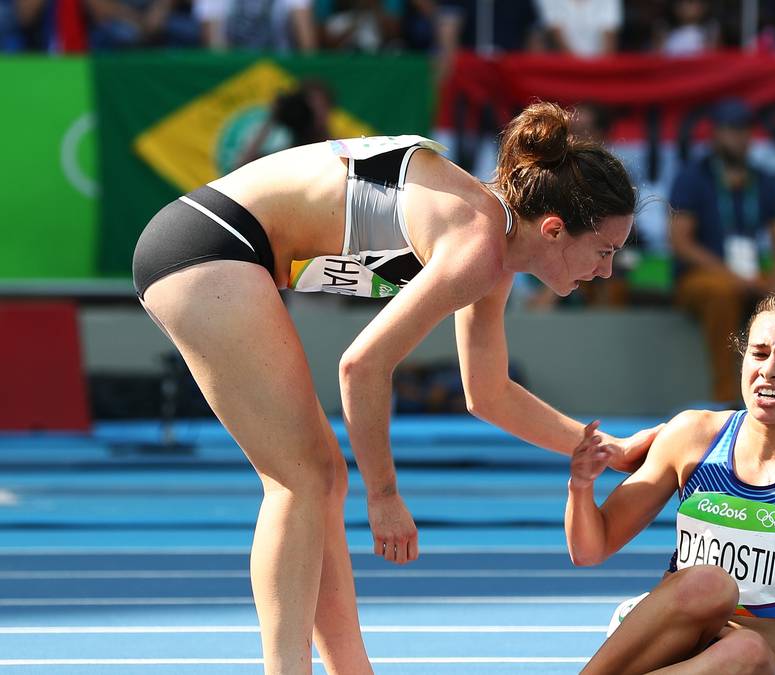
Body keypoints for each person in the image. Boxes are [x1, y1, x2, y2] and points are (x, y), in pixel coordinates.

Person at [131, 101, 660, 674]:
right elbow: (361, 366)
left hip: (213, 246)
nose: (607, 271)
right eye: (605, 251)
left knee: (320, 480)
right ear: (554, 229)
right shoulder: (476, 244)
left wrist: (604, 448)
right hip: (209, 246)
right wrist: (383, 496)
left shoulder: (492, 244)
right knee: (302, 480)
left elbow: (488, 393)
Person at [565, 290, 775, 674]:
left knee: (745, 650)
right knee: (708, 584)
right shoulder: (692, 434)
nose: (769, 370)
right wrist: (580, 487)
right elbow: (590, 549)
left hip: (756, 665)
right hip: (669, 646)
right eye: (759, 353)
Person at [669, 97, 775, 405]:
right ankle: (728, 401)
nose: (740, 137)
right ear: (715, 134)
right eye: (732, 130)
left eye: (745, 130)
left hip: (752, 277)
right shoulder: (692, 177)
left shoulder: (764, 181)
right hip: (703, 279)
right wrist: (733, 276)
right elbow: (680, 242)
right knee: (723, 295)